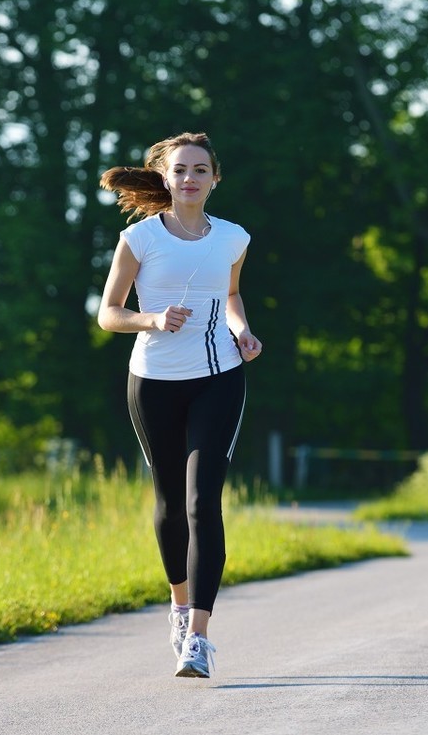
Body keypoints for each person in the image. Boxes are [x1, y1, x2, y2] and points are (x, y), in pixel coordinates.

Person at [97, 132, 262, 677]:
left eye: (200, 170)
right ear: (165, 179)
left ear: (215, 178)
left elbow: (231, 294)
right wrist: (152, 319)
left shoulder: (233, 238)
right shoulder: (140, 239)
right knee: (170, 502)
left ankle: (199, 636)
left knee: (201, 503)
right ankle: (178, 604)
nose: (189, 178)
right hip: (153, 380)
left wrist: (242, 331)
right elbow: (109, 314)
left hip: (219, 377)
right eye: (180, 170)